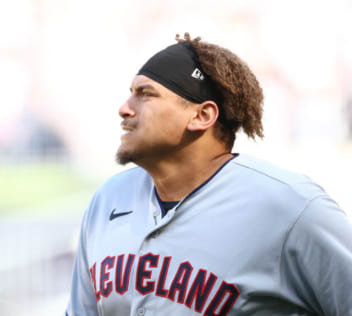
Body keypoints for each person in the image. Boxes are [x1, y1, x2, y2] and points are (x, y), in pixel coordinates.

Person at [65, 33, 352, 315]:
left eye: (146, 94)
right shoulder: (108, 200)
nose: (125, 109)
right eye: (131, 93)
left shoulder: (290, 207)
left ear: (202, 116)